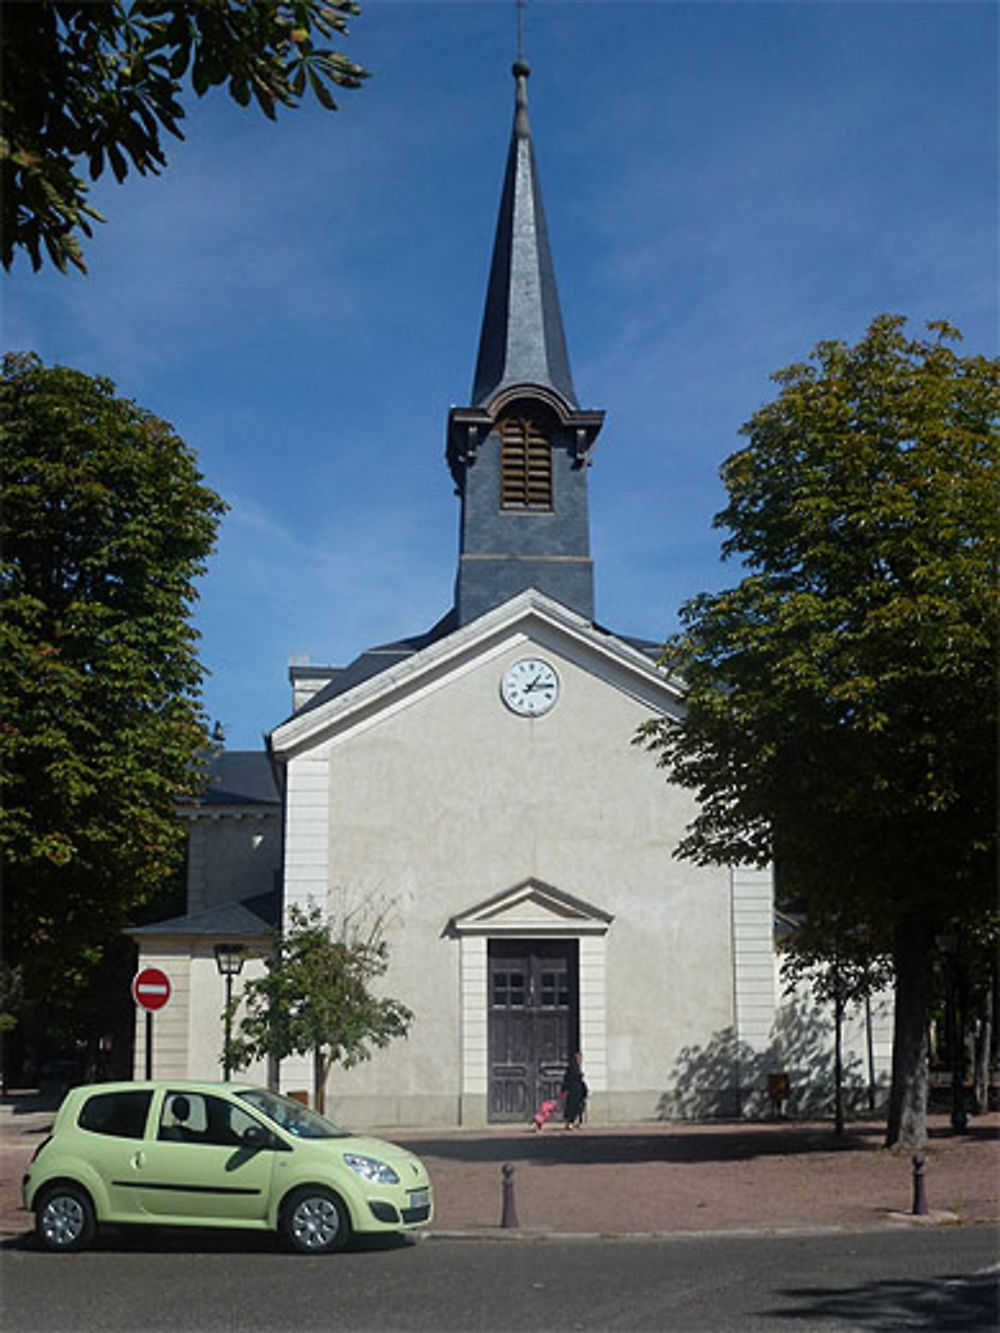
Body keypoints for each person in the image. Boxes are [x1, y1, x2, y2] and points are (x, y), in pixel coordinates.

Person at [561, 1051, 587, 1128]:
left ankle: (576, 1121)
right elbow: (569, 1078)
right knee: (572, 1106)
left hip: (578, 1089)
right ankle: (570, 1122)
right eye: (579, 1057)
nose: (581, 1059)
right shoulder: (573, 1067)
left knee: (579, 1106)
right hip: (573, 1089)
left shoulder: (578, 1066)